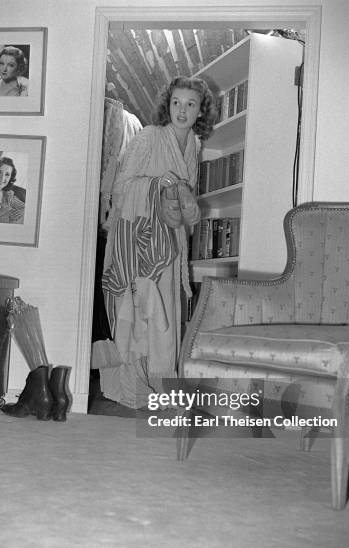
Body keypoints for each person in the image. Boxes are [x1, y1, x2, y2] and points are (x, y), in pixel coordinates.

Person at [101, 76, 217, 409]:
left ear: (200, 111)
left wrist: (181, 197)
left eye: (190, 104)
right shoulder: (149, 137)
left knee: (167, 314)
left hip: (170, 239)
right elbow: (123, 187)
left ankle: (163, 390)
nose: (182, 110)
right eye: (176, 102)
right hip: (138, 238)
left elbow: (188, 193)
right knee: (142, 315)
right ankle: (136, 389)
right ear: (168, 105)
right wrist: (156, 183)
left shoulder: (194, 145)